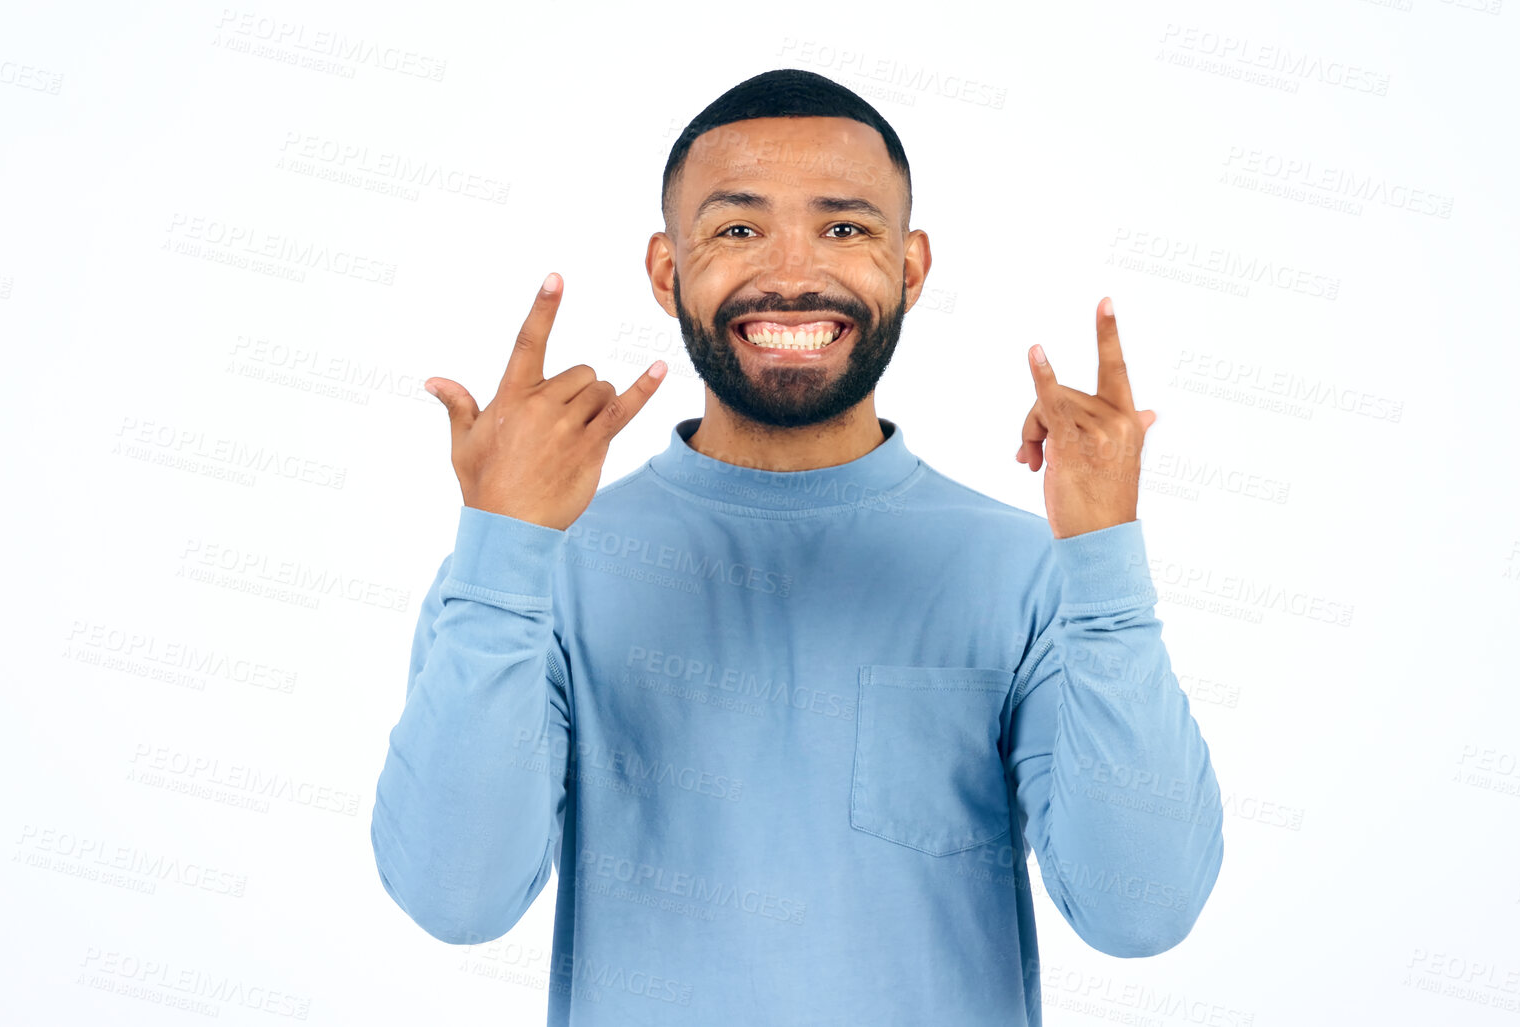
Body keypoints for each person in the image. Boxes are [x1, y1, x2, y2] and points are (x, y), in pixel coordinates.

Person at [368, 67, 1225, 1026]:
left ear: (910, 267)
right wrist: (503, 544)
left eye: (845, 227)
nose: (790, 272)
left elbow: (1139, 911)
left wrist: (1105, 559)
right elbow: (456, 897)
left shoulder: (1029, 569)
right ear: (666, 271)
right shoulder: (539, 565)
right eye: (737, 228)